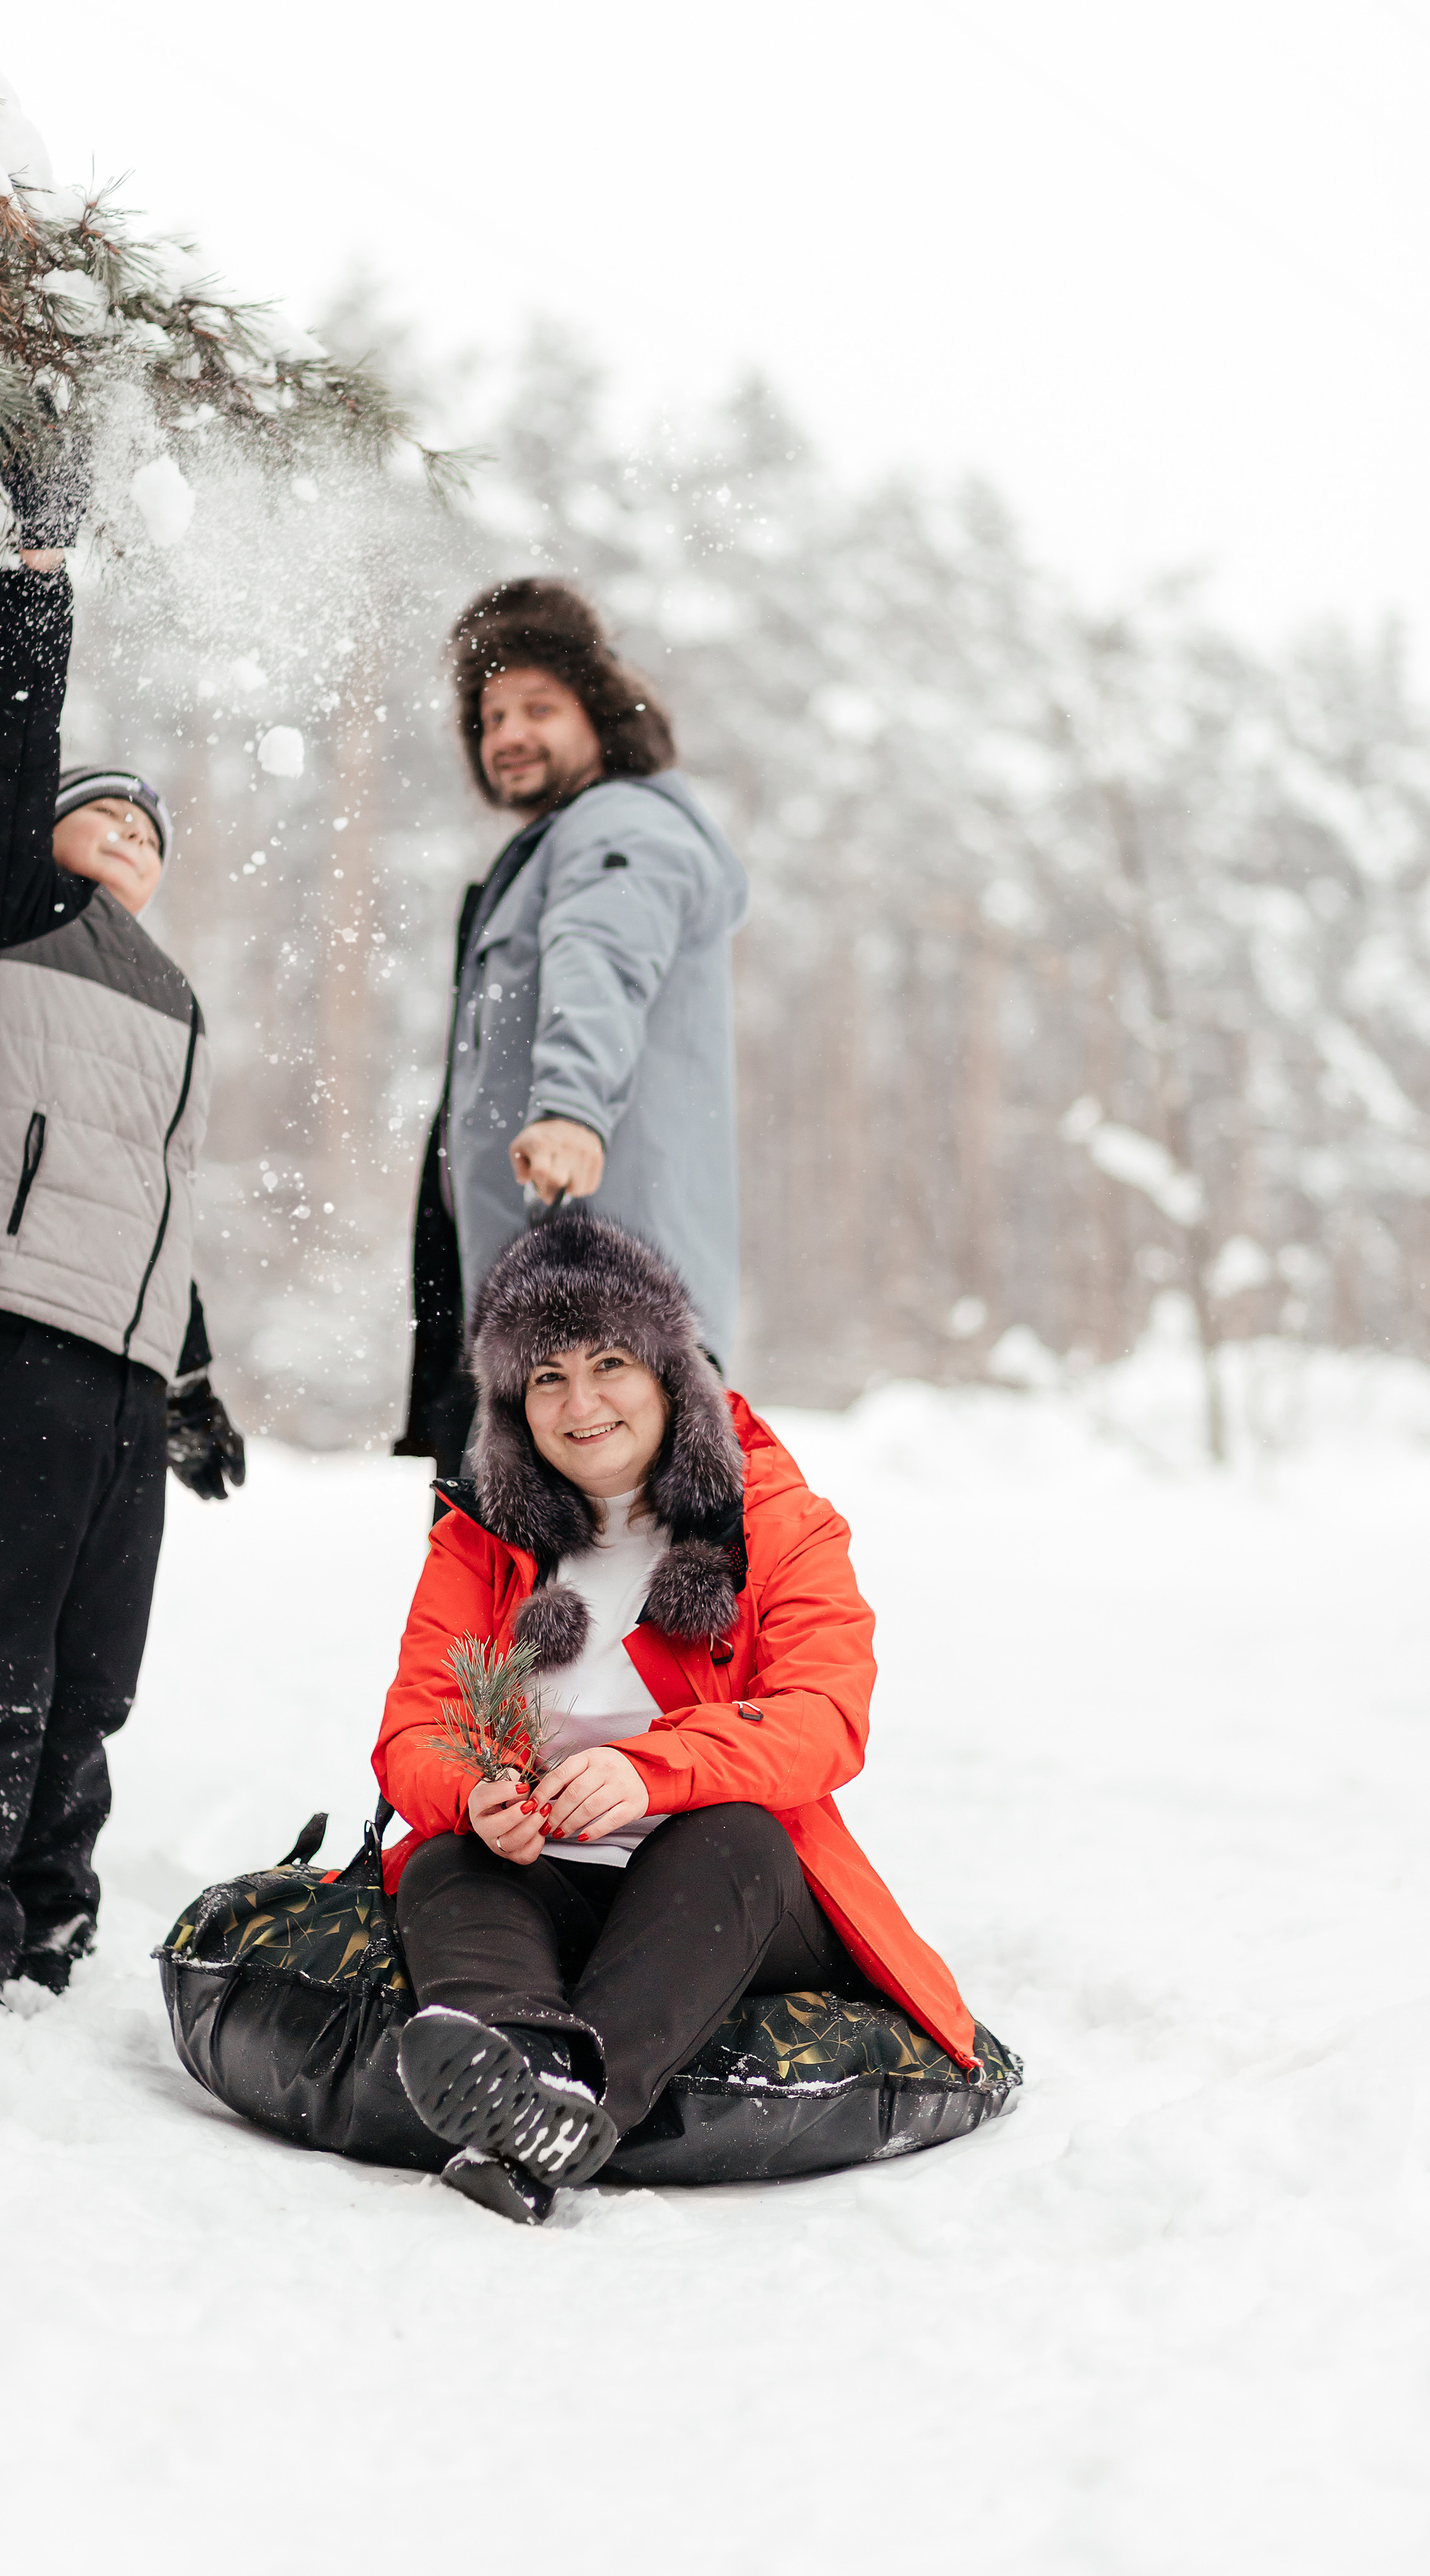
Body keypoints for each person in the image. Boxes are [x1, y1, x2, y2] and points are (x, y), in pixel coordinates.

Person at [374, 1209, 979, 2224]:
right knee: (444, 1857)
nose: (581, 1402)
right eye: (547, 1376)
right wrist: (473, 1796)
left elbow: (825, 1717)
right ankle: (517, 2086)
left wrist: (651, 1773)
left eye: (610, 1361)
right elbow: (414, 1730)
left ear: (669, 1370)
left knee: (731, 1837)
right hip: (552, 1886)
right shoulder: (476, 1541)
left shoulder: (776, 1521)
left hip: (732, 1898)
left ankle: (579, 2095)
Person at [0, 407, 246, 2000]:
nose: (133, 835)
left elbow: (151, 1196)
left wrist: (191, 1378)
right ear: (40, 841)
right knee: (1, 1657)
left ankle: (50, 1919)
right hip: (8, 1332)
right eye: (105, 811)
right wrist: (43, 561)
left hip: (114, 1365)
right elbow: (3, 752)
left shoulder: (166, 1001)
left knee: (94, 1675)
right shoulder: (6, 922)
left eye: (151, 831)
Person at [397, 579, 749, 1480]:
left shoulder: (618, 826)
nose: (508, 733)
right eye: (490, 715)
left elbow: (601, 957)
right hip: (544, 1317)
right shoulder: (554, 850)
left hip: (599, 1343)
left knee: (594, 1610)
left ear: (599, 715)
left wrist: (572, 1111)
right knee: (507, 1612)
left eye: (538, 707)